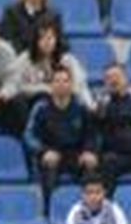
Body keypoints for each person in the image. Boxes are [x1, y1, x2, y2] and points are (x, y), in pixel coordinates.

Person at [24, 67, 98, 198]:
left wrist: (89, 151)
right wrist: (43, 151)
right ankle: (49, 212)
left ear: (71, 85)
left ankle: (87, 213)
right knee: (49, 169)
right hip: (51, 153)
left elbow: (91, 134)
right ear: (51, 85)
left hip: (76, 154)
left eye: (65, 81)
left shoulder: (81, 107)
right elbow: (29, 136)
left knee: (91, 167)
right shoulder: (41, 107)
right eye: (57, 81)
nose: (61, 85)